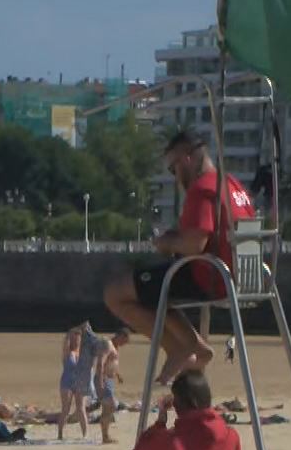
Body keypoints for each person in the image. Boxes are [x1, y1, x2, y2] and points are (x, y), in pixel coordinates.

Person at [103, 129, 256, 385]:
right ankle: (194, 345)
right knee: (152, 290)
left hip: (211, 276)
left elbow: (194, 244)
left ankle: (179, 348)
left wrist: (165, 242)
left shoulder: (202, 189)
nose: (175, 178)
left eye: (174, 169)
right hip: (240, 277)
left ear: (186, 158)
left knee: (115, 293)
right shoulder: (232, 184)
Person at [97, 328, 130, 444]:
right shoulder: (108, 345)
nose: (124, 344)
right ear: (120, 336)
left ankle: (105, 436)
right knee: (110, 406)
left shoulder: (116, 347)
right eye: (124, 341)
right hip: (105, 379)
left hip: (110, 380)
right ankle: (105, 436)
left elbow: (112, 363)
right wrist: (100, 381)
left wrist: (118, 375)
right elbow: (101, 362)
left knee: (108, 407)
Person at [55, 327, 87, 441]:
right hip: (67, 382)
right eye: (74, 338)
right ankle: (60, 434)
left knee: (81, 409)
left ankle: (85, 434)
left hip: (80, 382)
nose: (76, 340)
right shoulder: (67, 353)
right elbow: (65, 344)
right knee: (66, 409)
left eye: (78, 338)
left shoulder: (83, 353)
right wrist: (69, 334)